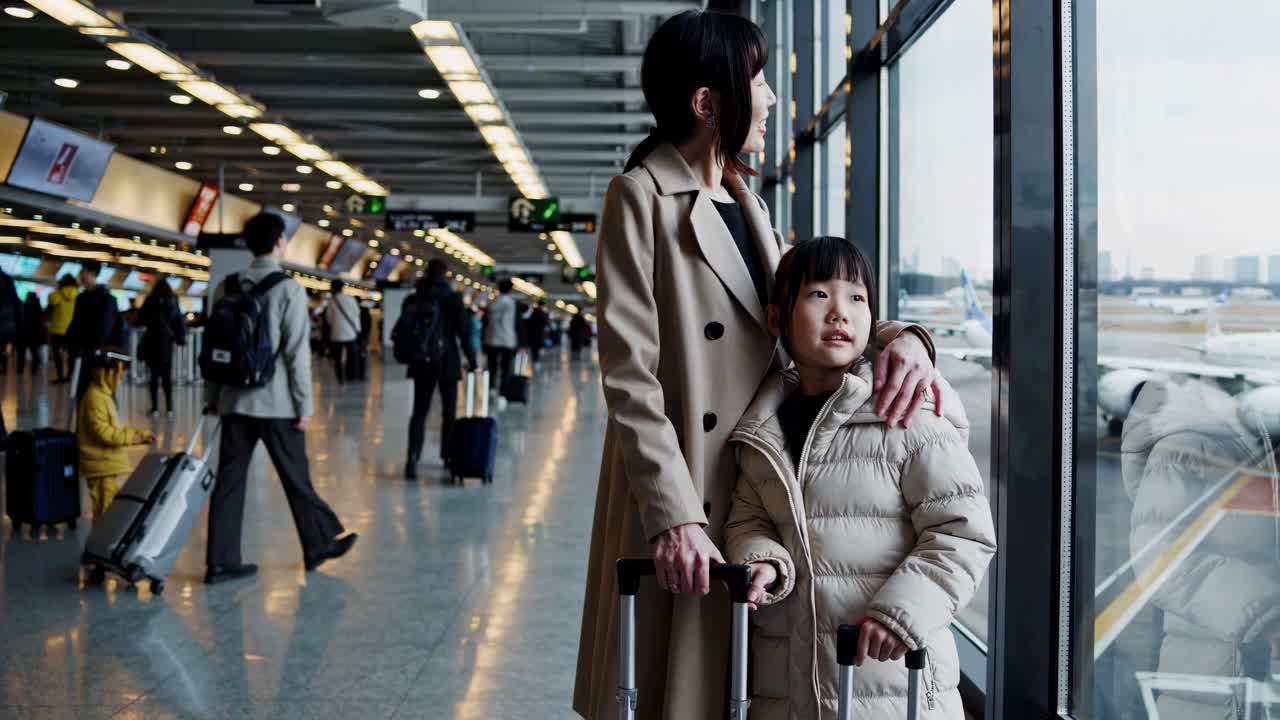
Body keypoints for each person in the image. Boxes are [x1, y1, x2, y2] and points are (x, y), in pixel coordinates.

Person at [573, 12, 945, 719]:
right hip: (687, 488)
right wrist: (674, 515)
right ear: (708, 103)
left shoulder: (751, 203)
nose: (771, 99)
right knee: (677, 692)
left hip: (756, 492)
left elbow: (804, 318)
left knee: (746, 687)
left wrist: (902, 337)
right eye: (759, 81)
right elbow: (629, 377)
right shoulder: (641, 199)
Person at [723, 237, 996, 719]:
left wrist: (902, 613)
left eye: (856, 298)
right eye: (818, 295)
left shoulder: (907, 416)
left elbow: (963, 532)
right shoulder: (761, 428)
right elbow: (747, 518)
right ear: (775, 319)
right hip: (789, 687)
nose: (839, 313)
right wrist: (764, 559)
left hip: (895, 685)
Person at [204, 212, 357, 585]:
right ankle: (318, 546)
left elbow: (215, 349)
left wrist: (215, 398)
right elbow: (295, 355)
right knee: (295, 477)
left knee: (229, 482)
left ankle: (220, 562)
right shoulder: (288, 289)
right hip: (276, 404)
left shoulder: (226, 285)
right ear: (278, 243)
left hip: (235, 402)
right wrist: (304, 406)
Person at [403, 259, 478, 480]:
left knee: (419, 413)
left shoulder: (415, 297)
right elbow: (464, 333)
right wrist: (473, 361)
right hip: (448, 363)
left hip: (422, 363)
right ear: (445, 275)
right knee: (449, 413)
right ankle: (447, 457)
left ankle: (412, 458)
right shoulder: (453, 299)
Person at [77, 349, 154, 520]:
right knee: (105, 512)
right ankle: (100, 544)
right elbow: (104, 434)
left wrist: (139, 435)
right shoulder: (94, 398)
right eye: (119, 373)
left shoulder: (103, 396)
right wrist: (135, 437)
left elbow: (112, 429)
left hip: (106, 464)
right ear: (108, 372)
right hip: (100, 466)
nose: (120, 379)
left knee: (108, 509)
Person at [65, 260, 123, 394]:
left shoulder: (107, 299)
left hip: (98, 356)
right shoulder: (81, 298)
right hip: (82, 354)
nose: (80, 275)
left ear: (91, 273)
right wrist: (69, 344)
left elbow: (105, 328)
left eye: (82, 271)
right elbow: (75, 323)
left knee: (98, 395)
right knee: (81, 393)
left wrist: (93, 347)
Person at [138, 278, 188, 417]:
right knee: (166, 377)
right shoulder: (173, 300)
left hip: (152, 341)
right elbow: (178, 321)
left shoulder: (150, 300)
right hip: (166, 343)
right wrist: (180, 337)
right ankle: (169, 408)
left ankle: (154, 408)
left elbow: (140, 318)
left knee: (153, 377)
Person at [482, 279, 519, 411]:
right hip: (508, 341)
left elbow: (485, 323)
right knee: (506, 368)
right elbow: (517, 324)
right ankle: (503, 394)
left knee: (492, 366)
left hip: (492, 339)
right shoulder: (513, 304)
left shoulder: (491, 303)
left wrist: (484, 340)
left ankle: (491, 388)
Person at [323, 280, 361, 385]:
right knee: (352, 357)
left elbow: (328, 318)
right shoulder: (351, 299)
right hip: (351, 333)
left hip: (337, 334)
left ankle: (340, 378)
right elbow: (357, 313)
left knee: (338, 358)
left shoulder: (331, 301)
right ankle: (352, 376)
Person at [46, 274, 79, 384]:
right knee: (72, 355)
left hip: (57, 329)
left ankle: (60, 377)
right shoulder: (78, 294)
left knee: (57, 355)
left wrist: (59, 290)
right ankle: (70, 376)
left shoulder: (58, 294)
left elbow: (50, 300)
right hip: (73, 330)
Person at [16, 292, 47, 376]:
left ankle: (20, 369)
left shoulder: (23, 306)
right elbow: (41, 321)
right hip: (34, 334)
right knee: (34, 352)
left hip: (23, 333)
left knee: (21, 352)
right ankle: (34, 369)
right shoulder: (38, 307)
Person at [0, 267, 21, 375]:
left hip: (4, 321)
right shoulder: (8, 280)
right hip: (7, 323)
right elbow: (17, 303)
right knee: (3, 346)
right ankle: (4, 367)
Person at [523, 300, 550, 369]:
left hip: (532, 333)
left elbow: (527, 322)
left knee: (533, 348)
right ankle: (536, 360)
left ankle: (534, 359)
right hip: (539, 333)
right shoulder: (543, 314)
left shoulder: (532, 312)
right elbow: (546, 323)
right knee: (537, 348)